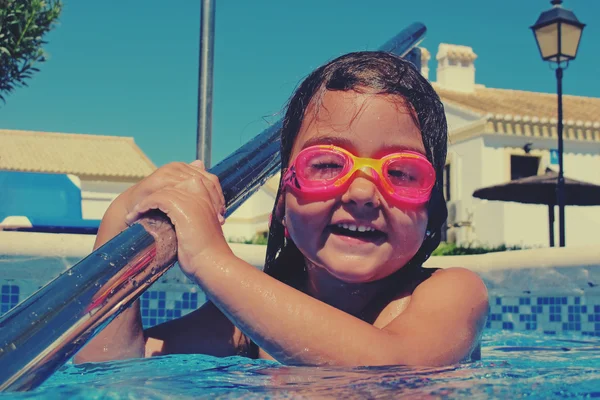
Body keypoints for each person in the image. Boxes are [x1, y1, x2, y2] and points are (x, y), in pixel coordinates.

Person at [75, 51, 488, 367]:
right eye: (326, 164)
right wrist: (120, 215)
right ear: (282, 206)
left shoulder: (451, 295)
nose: (363, 192)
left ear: (432, 211)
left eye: (401, 172)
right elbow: (112, 367)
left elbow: (391, 373)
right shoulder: (245, 328)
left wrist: (210, 260)